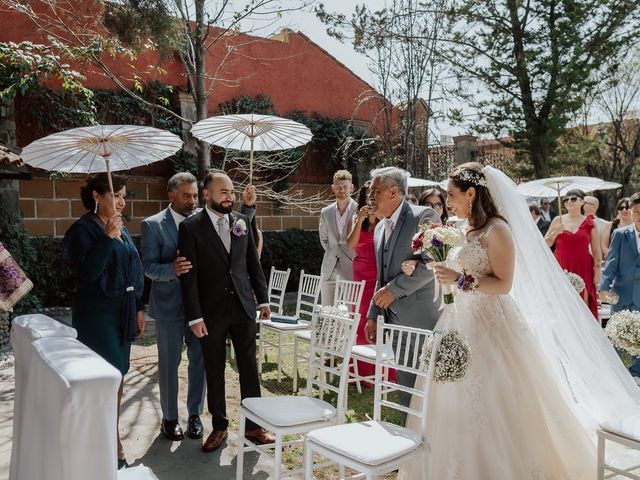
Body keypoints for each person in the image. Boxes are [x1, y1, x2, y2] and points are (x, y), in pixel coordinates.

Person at [400, 163, 595, 478]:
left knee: (493, 401)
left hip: (490, 326)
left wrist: (460, 278)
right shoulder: (461, 228)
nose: (447, 201)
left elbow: (503, 284)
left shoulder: (498, 230)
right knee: (447, 399)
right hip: (456, 320)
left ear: (471, 193)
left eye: (452, 194)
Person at [178, 170, 274, 452]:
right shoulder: (191, 227)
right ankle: (219, 426)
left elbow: (252, 264)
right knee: (215, 368)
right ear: (206, 195)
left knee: (249, 367)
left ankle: (254, 427)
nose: (230, 197)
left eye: (232, 192)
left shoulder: (242, 222)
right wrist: (195, 317)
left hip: (243, 308)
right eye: (223, 192)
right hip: (210, 313)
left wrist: (264, 300)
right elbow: (188, 277)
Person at [61, 173, 145, 469]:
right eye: (116, 195)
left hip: (121, 315)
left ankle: (109, 438)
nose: (122, 201)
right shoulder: (82, 230)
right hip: (96, 318)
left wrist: (138, 307)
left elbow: (134, 269)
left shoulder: (122, 228)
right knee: (104, 381)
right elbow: (88, 273)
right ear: (97, 197)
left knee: (118, 379)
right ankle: (108, 446)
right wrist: (107, 238)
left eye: (124, 195)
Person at [363, 167, 440, 406]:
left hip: (422, 320)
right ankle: (411, 432)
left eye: (375, 191)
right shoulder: (378, 229)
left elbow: (433, 263)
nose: (370, 197)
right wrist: (373, 314)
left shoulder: (424, 216)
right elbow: (382, 276)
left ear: (393, 191)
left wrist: (394, 290)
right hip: (394, 321)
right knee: (406, 384)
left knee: (426, 388)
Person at [600, 192, 640, 381]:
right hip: (621, 294)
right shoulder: (620, 234)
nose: (639, 214)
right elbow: (611, 263)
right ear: (630, 213)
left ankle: (637, 374)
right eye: (636, 211)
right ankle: (617, 376)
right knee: (617, 337)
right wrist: (603, 287)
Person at [545, 189, 601, 319]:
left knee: (583, 303)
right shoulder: (557, 220)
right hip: (561, 265)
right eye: (566, 199)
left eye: (573, 198)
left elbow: (597, 251)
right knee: (562, 303)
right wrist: (555, 233)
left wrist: (598, 271)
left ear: (582, 202)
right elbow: (544, 245)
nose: (569, 201)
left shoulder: (590, 223)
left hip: (584, 266)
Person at [346, 181, 381, 385]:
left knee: (377, 321)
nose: (372, 197)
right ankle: (360, 371)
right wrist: (359, 220)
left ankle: (380, 371)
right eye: (369, 194)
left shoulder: (385, 218)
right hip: (360, 274)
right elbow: (351, 244)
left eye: (375, 193)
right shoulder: (356, 216)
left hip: (378, 274)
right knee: (360, 321)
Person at [319, 170, 358, 304]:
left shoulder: (359, 210)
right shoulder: (325, 212)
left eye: (345, 187)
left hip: (351, 267)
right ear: (333, 188)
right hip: (329, 268)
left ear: (352, 187)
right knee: (327, 311)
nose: (342, 190)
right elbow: (323, 239)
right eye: (338, 187)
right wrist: (333, 252)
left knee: (352, 312)